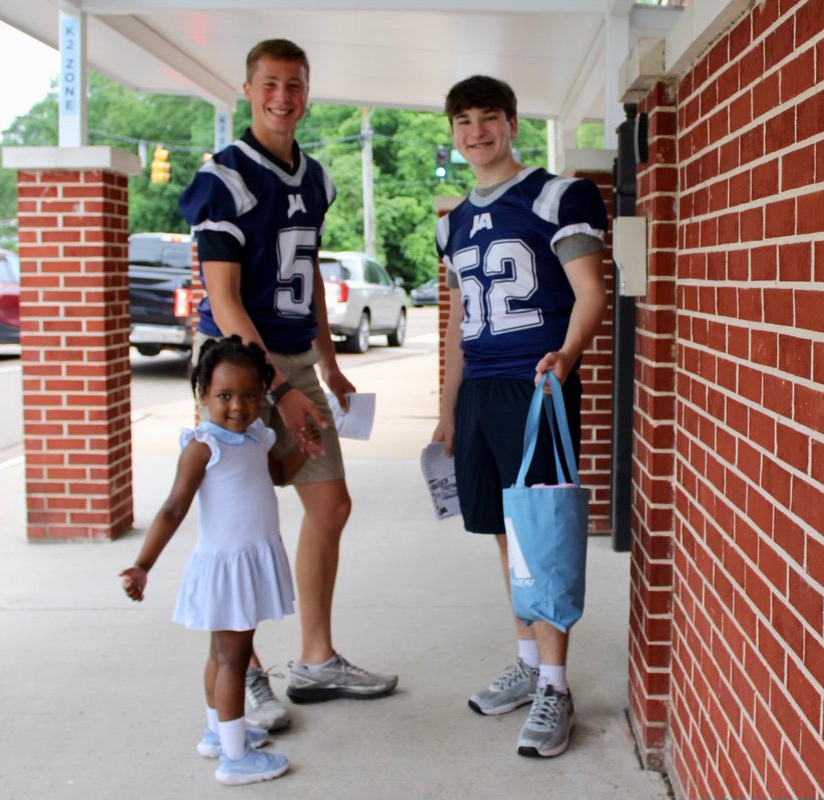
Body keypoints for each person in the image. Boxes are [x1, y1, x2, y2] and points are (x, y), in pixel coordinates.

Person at [178, 38, 397, 730]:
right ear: (247, 89)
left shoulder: (318, 178)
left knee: (328, 505)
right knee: (237, 527)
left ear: (308, 90)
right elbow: (226, 300)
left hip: (294, 354)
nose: (282, 96)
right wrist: (280, 389)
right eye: (269, 83)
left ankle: (316, 657)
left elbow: (307, 285)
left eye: (294, 84)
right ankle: (240, 674)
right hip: (238, 371)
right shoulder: (226, 178)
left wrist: (325, 362)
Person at [431, 75, 608, 758]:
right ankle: (530, 665)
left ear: (511, 124)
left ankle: (556, 687)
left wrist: (566, 355)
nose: (476, 132)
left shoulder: (556, 196)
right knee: (507, 541)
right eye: (462, 121)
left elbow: (591, 289)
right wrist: (448, 407)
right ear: (451, 131)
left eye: (488, 119)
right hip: (481, 393)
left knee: (543, 539)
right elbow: (456, 325)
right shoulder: (450, 222)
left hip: (537, 388)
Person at [120, 337, 314, 785]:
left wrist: (303, 445)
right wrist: (143, 564)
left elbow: (280, 476)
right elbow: (172, 508)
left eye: (249, 395)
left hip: (246, 561)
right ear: (202, 395)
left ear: (262, 394)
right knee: (234, 659)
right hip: (228, 568)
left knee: (220, 655)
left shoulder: (257, 438)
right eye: (224, 396)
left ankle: (217, 732)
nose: (237, 407)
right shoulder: (204, 446)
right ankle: (235, 758)